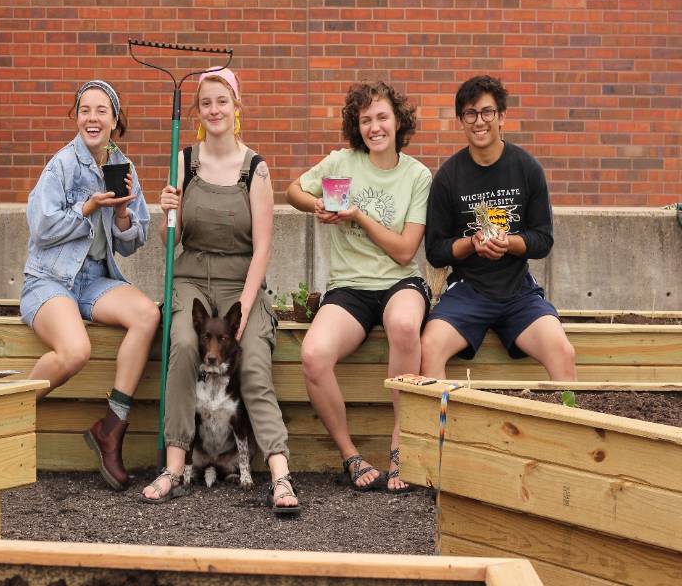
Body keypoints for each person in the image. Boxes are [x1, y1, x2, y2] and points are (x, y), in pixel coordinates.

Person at [140, 67, 300, 516]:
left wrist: (245, 309)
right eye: (206, 103)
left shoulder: (256, 169)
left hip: (239, 284)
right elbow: (170, 242)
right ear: (198, 110)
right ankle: (174, 465)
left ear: (236, 107)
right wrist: (165, 212)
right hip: (191, 276)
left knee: (250, 361)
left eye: (222, 102)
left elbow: (263, 249)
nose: (214, 110)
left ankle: (280, 472)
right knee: (186, 345)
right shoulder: (184, 160)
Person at [286, 81, 432, 494]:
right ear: (357, 125)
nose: (374, 127)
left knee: (405, 326)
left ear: (398, 120)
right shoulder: (341, 161)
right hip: (349, 287)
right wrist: (313, 204)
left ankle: (400, 445)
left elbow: (405, 251)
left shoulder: (417, 175)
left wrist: (358, 217)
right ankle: (350, 454)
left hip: (399, 282)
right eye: (365, 119)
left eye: (382, 116)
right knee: (313, 355)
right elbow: (293, 189)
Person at [20, 80, 161, 492]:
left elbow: (136, 239)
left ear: (116, 120)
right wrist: (89, 207)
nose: (92, 118)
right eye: (85, 110)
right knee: (76, 350)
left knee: (147, 315)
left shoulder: (123, 166)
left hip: (95, 280)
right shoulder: (62, 165)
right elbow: (41, 227)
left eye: (102, 111)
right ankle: (6, 416)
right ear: (76, 116)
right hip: (50, 280)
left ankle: (111, 428)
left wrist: (120, 218)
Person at [420, 75, 576, 381]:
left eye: (487, 112)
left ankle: (569, 426)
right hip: (468, 291)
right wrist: (471, 243)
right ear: (461, 121)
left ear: (502, 116)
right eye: (470, 114)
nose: (479, 121)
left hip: (518, 292)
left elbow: (543, 239)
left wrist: (511, 243)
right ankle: (440, 430)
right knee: (429, 346)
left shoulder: (527, 168)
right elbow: (436, 251)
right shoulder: (448, 177)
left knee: (563, 351)